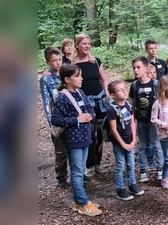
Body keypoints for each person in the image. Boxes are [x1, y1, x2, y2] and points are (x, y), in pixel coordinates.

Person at [51, 63, 102, 216]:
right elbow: (56, 119)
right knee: (77, 171)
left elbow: (90, 110)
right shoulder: (62, 97)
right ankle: (83, 203)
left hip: (84, 138)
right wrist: (77, 120)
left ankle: (77, 201)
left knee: (80, 170)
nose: (81, 78)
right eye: (77, 76)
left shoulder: (80, 93)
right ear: (67, 79)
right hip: (72, 140)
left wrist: (88, 116)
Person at [71, 33, 109, 178]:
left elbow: (104, 80)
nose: (87, 46)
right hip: (83, 103)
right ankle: (88, 165)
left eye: (88, 43)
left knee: (99, 134)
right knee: (87, 134)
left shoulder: (96, 61)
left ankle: (97, 163)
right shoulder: (72, 64)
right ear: (77, 45)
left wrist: (106, 95)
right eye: (84, 43)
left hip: (99, 102)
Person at [107, 80, 144, 201]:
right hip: (119, 142)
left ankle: (132, 184)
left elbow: (133, 123)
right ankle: (120, 189)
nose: (124, 91)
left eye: (124, 88)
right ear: (113, 95)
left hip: (130, 140)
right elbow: (113, 129)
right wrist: (122, 143)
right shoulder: (111, 109)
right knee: (120, 165)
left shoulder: (128, 105)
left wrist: (134, 140)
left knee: (130, 163)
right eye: (119, 90)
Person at [129, 56, 164, 182]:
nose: (136, 70)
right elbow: (132, 105)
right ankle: (143, 171)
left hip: (154, 122)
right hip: (141, 121)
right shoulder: (134, 85)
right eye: (134, 68)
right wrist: (132, 122)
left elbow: (161, 102)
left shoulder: (155, 84)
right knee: (142, 146)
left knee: (157, 145)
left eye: (138, 67)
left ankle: (160, 169)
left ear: (146, 68)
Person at [39, 46, 68, 188]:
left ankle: (78, 172)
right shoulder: (46, 79)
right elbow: (46, 103)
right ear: (47, 62)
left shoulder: (66, 73)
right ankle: (61, 176)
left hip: (70, 116)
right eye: (54, 60)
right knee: (60, 149)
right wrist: (51, 122)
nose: (57, 63)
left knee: (74, 145)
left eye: (59, 59)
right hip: (57, 119)